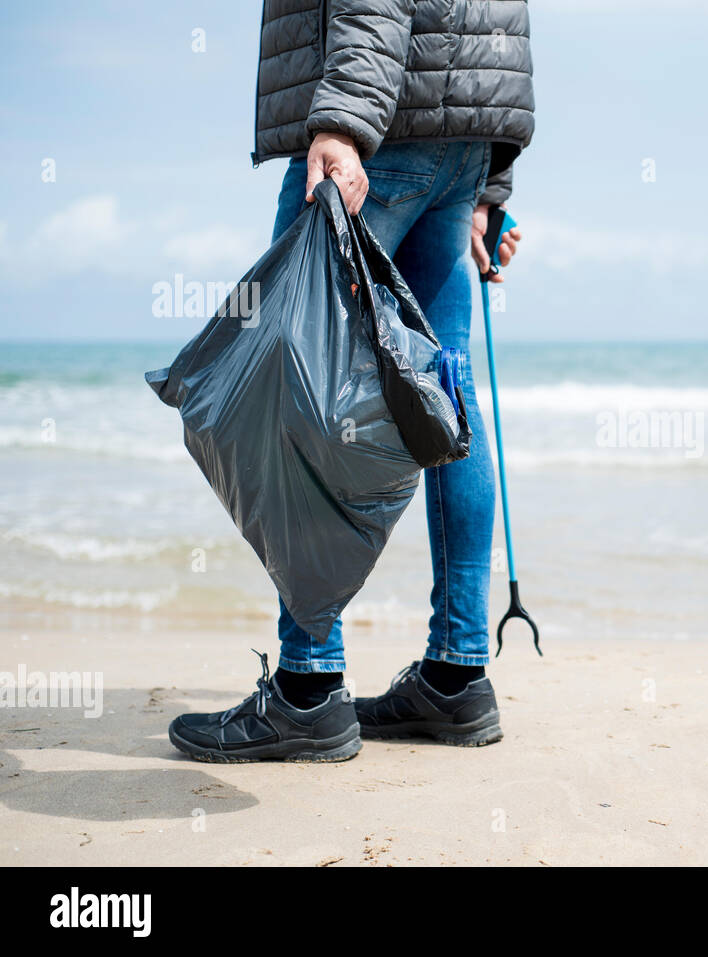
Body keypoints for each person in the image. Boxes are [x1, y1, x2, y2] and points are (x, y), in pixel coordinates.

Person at [167, 0, 535, 763]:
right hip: (459, 134)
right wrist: (485, 181)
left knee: (296, 384)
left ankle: (306, 689)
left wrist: (343, 124)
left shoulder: (357, 126)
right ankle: (458, 671)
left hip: (380, 128)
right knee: (447, 393)